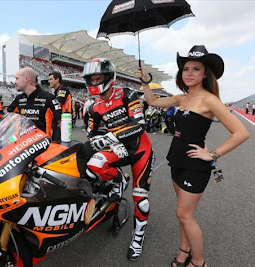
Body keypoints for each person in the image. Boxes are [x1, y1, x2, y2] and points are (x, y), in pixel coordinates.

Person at [138, 45, 249, 267]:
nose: (189, 73)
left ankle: (198, 262)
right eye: (185, 68)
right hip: (176, 161)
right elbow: (152, 101)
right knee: (182, 214)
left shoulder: (210, 100)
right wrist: (145, 82)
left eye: (196, 69)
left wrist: (213, 153)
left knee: (184, 214)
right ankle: (184, 250)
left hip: (195, 165)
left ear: (205, 74)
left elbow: (241, 132)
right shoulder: (182, 98)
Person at [82, 58, 154, 261]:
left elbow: (139, 125)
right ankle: (118, 180)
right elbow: (91, 133)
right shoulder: (93, 106)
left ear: (108, 77)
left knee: (141, 201)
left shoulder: (127, 94)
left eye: (98, 78)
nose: (95, 83)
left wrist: (109, 137)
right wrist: (97, 140)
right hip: (119, 148)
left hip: (140, 149)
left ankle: (138, 238)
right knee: (94, 164)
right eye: (91, 79)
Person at [7, 67, 61, 140]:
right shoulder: (18, 99)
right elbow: (7, 116)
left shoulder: (49, 98)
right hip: (23, 144)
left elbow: (61, 123)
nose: (15, 82)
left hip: (44, 145)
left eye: (17, 78)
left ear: (26, 79)